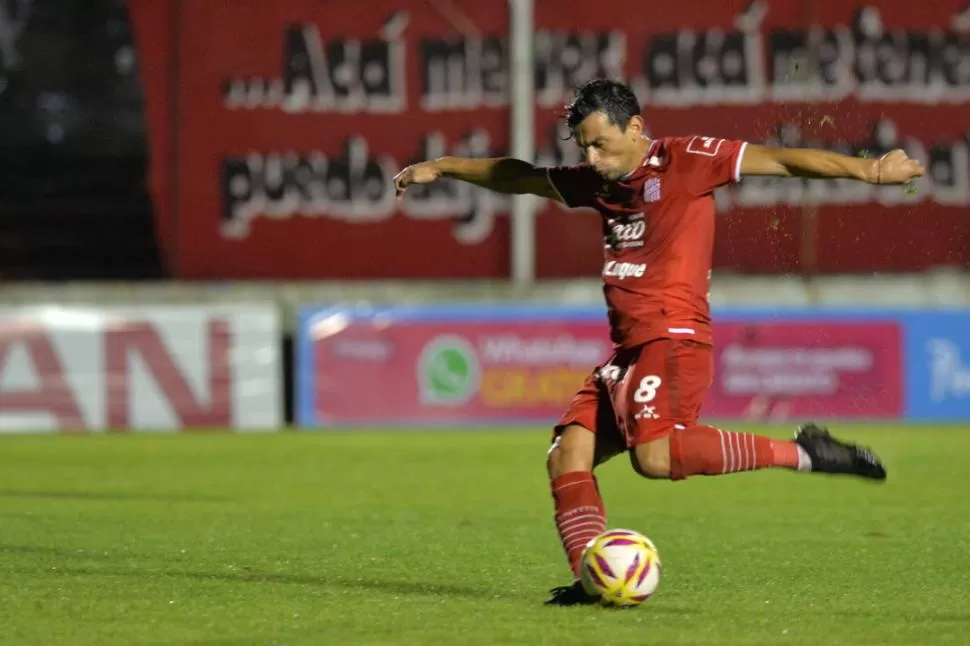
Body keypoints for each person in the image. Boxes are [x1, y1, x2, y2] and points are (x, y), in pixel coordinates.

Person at [392, 79, 924, 606]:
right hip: (627, 350)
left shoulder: (687, 159)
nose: (593, 157)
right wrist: (443, 167)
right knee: (566, 455)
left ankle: (804, 453)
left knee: (654, 458)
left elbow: (781, 161)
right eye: (584, 147)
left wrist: (870, 170)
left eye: (601, 143)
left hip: (673, 337)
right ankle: (592, 577)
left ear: (636, 128)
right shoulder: (599, 184)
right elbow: (523, 178)